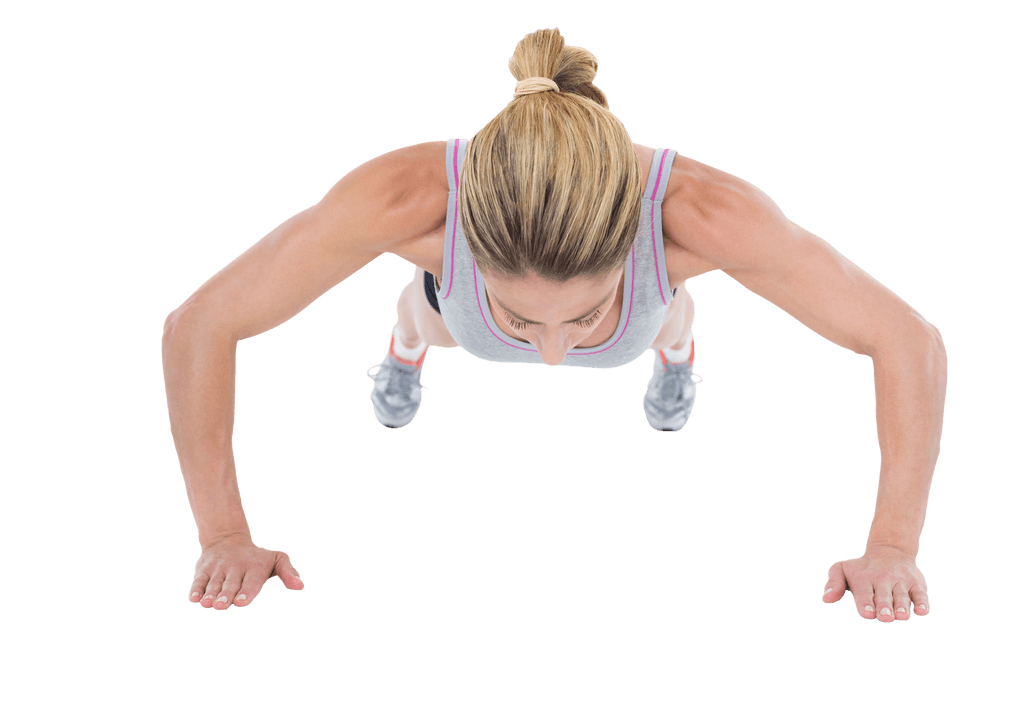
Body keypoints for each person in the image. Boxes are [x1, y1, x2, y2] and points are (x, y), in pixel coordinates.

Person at [161, 27, 948, 622]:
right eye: (523, 316)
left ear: (639, 240)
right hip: (456, 318)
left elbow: (906, 338)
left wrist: (893, 547)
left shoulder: (704, 217)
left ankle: (673, 358)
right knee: (423, 316)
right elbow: (199, 326)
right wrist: (224, 533)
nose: (549, 355)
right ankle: (406, 353)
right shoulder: (403, 201)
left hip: (643, 320)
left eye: (580, 314)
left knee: (666, 326)